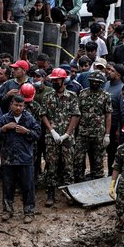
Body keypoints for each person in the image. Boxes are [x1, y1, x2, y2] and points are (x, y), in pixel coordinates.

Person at [0, 92, 42, 223]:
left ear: (24, 106)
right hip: (9, 158)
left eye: (21, 106)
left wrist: (26, 131)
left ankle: (29, 212)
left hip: (25, 158)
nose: (18, 108)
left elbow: (37, 134)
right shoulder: (4, 119)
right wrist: (4, 128)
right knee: (8, 186)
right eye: (16, 105)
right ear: (11, 105)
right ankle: (7, 211)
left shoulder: (29, 119)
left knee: (27, 186)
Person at [39, 68, 81, 206]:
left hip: (67, 138)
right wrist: (52, 131)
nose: (55, 82)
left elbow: (75, 115)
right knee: (51, 166)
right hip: (51, 137)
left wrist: (67, 134)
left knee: (69, 167)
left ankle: (71, 194)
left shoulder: (72, 96)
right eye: (53, 80)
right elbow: (43, 114)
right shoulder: (48, 97)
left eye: (57, 80)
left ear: (63, 80)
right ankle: (50, 195)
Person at [75, 71, 112, 181]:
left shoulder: (106, 96)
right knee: (78, 159)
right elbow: (77, 113)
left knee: (98, 161)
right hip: (82, 132)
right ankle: (78, 181)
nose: (95, 83)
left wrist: (107, 134)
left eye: (97, 82)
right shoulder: (82, 93)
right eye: (93, 81)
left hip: (98, 134)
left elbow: (108, 115)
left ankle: (97, 183)